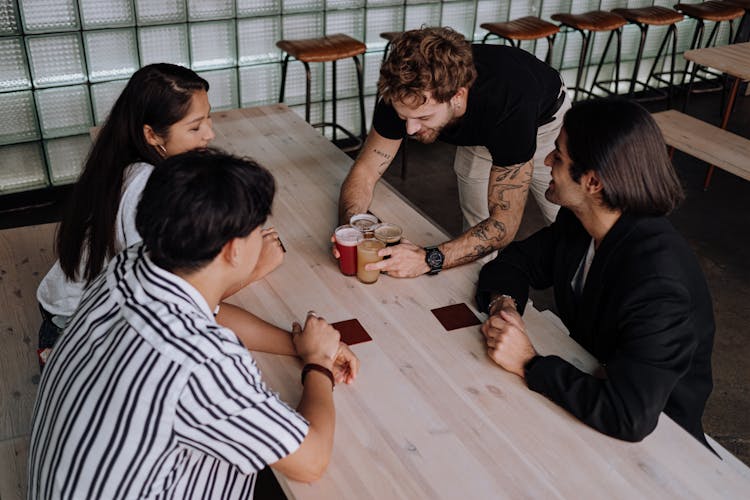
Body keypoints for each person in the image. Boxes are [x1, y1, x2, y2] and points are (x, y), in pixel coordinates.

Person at [29, 149, 359, 498]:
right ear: (233, 249)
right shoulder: (202, 362)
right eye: (257, 229)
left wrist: (299, 345)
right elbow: (312, 461)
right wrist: (318, 366)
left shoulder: (130, 266)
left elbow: (211, 313)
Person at [475, 99, 715, 447]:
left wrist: (528, 362)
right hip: (589, 386)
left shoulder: (658, 282)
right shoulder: (581, 221)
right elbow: (515, 262)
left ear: (593, 182)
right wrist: (505, 305)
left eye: (557, 156)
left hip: (663, 437)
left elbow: (629, 415)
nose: (546, 162)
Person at [36, 63, 285, 368]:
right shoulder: (146, 189)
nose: (210, 133)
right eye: (195, 127)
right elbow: (175, 302)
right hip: (73, 335)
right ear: (152, 134)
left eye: (208, 117)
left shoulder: (125, 159)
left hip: (69, 308)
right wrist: (254, 270)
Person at [337, 27, 571, 278]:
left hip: (543, 124)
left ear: (457, 96)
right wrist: (351, 228)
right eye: (403, 117)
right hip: (478, 130)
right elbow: (366, 170)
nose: (410, 129)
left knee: (570, 223)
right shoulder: (403, 94)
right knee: (476, 229)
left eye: (423, 117)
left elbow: (504, 224)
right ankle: (483, 297)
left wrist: (428, 259)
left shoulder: (508, 104)